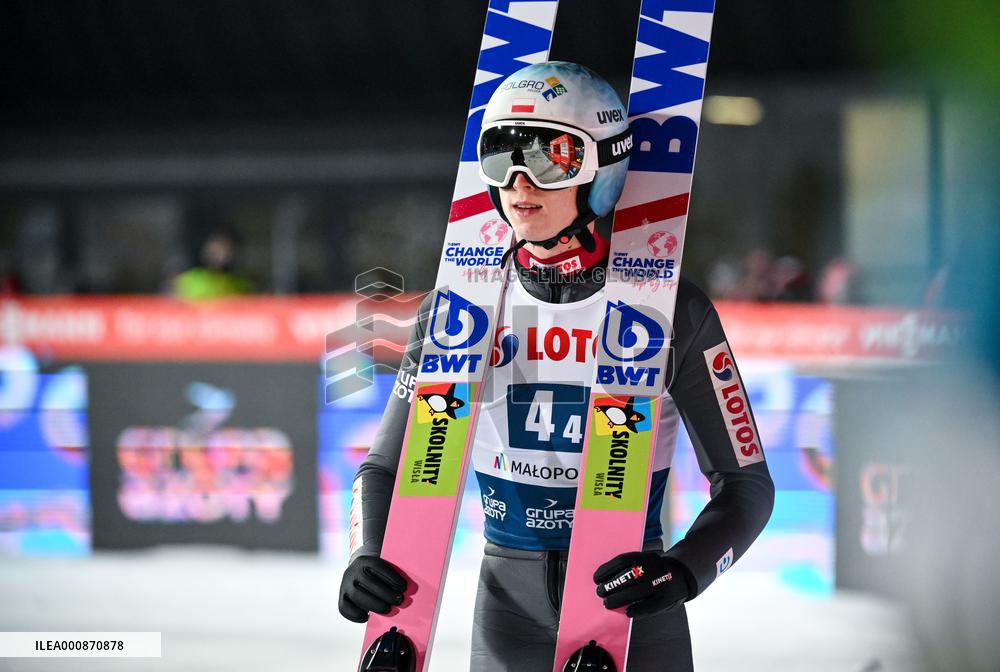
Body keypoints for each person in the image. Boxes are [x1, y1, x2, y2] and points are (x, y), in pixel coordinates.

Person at [339, 61, 774, 671]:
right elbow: (385, 465)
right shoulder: (458, 307)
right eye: (501, 157)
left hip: (631, 617)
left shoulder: (673, 310)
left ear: (602, 171)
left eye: (551, 158)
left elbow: (748, 486)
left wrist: (682, 571)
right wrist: (366, 554)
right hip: (505, 612)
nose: (521, 182)